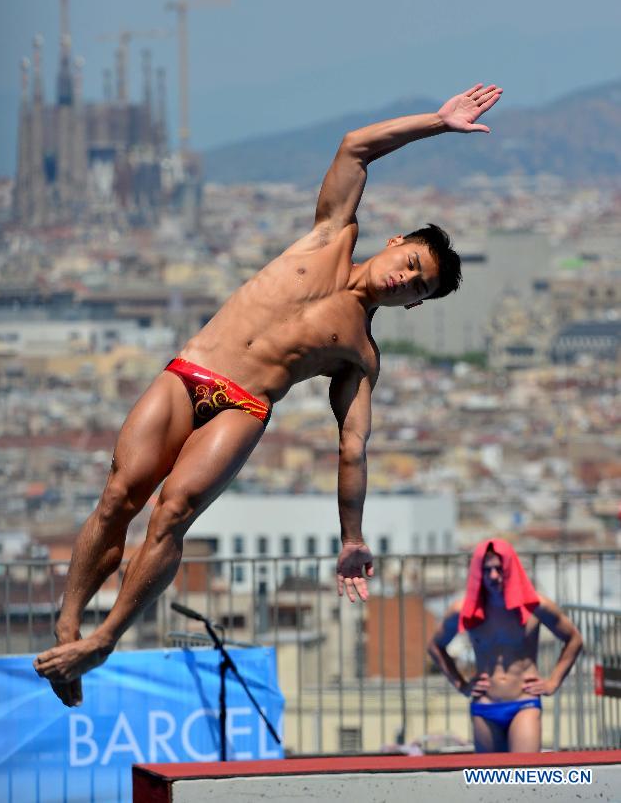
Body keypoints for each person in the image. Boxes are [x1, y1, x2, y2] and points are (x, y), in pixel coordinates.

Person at [34, 82, 502, 706]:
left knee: (172, 513)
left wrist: (352, 536)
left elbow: (354, 447)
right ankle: (69, 623)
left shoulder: (360, 353)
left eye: (416, 286)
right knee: (121, 493)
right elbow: (355, 148)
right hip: (192, 370)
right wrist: (438, 124)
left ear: (414, 304)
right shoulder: (331, 233)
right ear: (396, 243)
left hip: (244, 407)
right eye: (412, 261)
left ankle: (106, 637)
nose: (404, 279)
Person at [428, 538, 583, 753]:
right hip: (484, 705)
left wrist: (553, 682)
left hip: (524, 702)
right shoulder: (463, 610)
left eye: (500, 569)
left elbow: (574, 639)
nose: (494, 576)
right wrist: (461, 684)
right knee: (491, 781)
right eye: (487, 570)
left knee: (523, 777)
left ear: (511, 569)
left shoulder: (535, 607)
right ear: (478, 573)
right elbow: (434, 646)